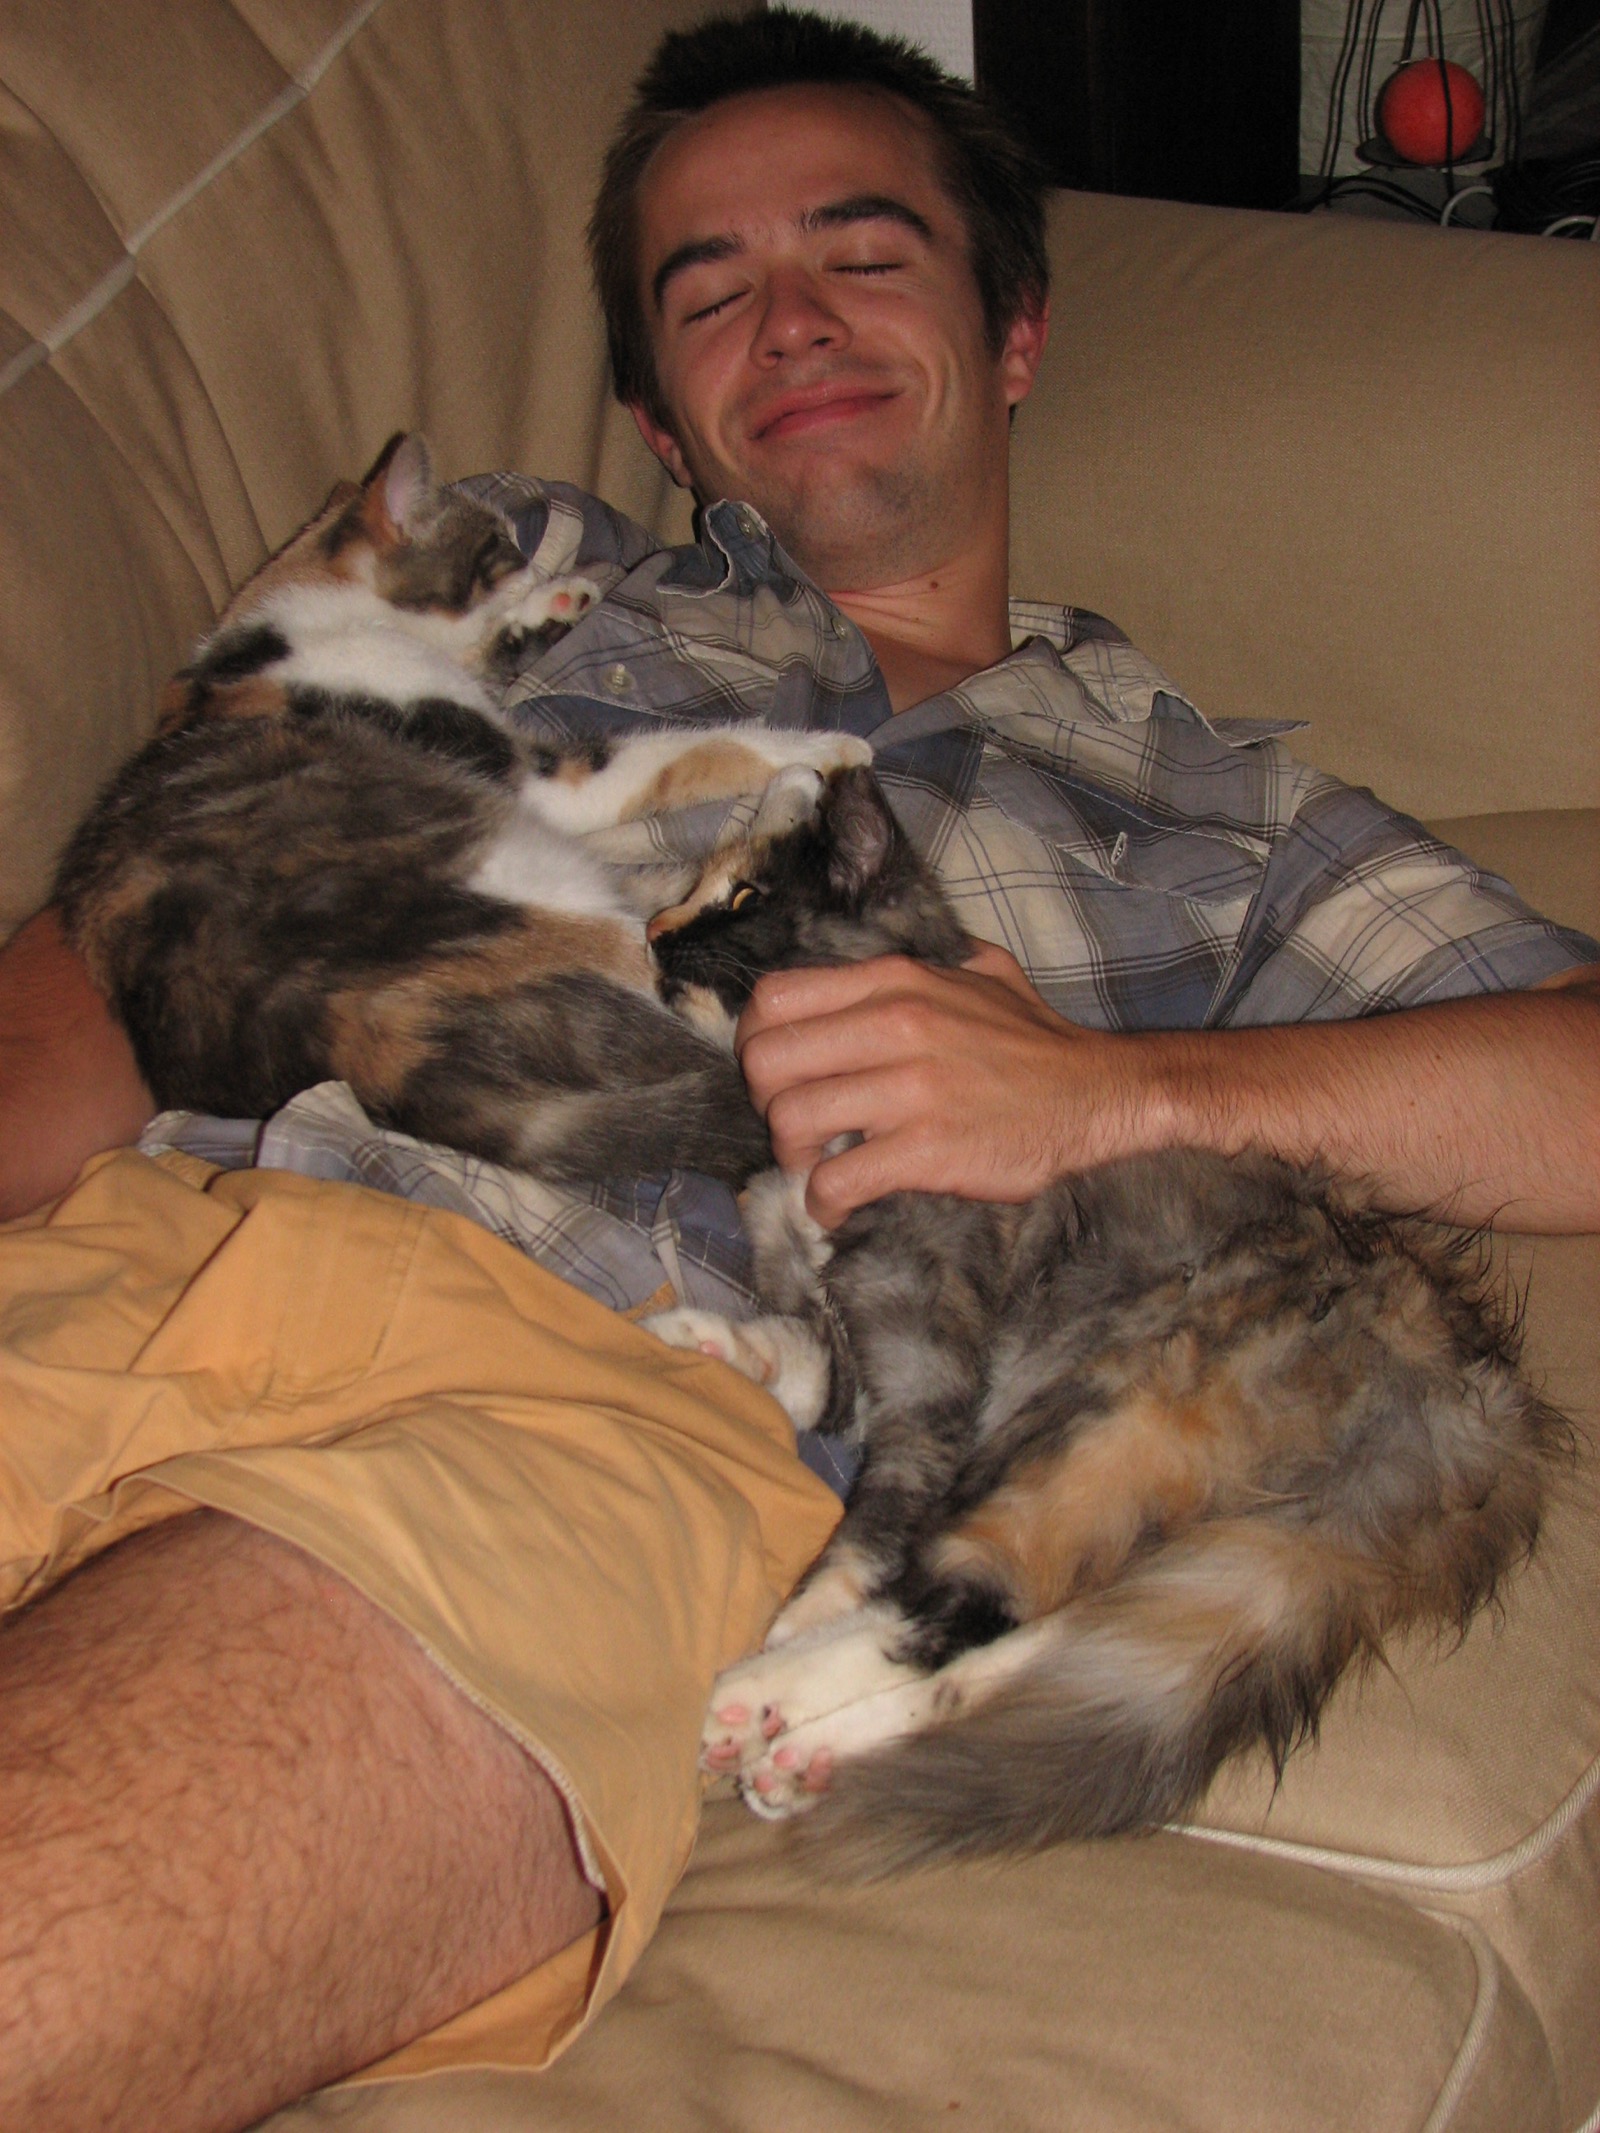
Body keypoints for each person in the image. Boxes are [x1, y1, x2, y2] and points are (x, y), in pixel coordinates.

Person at [0, 12, 1595, 2131]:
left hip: (588, 1388)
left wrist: (1116, 1096)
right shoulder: (504, 571)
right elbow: (132, 925)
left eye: (860, 253)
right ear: (659, 415)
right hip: (145, 1232)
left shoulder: (1221, 819)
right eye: (710, 292)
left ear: (1010, 333)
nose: (791, 321)